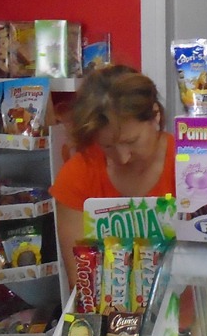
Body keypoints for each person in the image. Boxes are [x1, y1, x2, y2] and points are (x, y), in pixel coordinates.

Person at [50, 65, 175, 283]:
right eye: (107, 146)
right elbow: (81, 280)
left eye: (131, 141)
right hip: (108, 303)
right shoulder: (78, 174)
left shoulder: (189, 167)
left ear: (155, 115)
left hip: (183, 302)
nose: (123, 158)